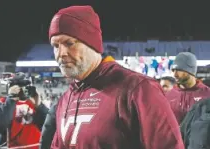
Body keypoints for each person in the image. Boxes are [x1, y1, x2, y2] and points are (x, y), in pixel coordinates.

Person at [42, 5, 184, 149]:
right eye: (55, 46)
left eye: (69, 43)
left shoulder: (138, 89)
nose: (61, 54)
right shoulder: (67, 98)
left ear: (92, 43)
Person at [166, 52, 210, 123]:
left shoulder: (207, 94)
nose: (174, 74)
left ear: (190, 71)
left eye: (179, 70)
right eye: (173, 70)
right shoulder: (169, 96)